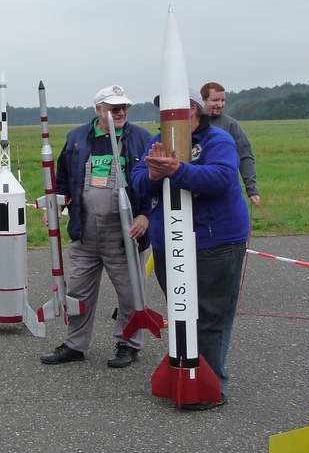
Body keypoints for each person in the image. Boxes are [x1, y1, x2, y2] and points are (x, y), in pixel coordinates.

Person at [131, 94, 249, 409]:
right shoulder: (156, 142)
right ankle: (183, 374)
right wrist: (153, 175)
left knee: (210, 315)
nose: (164, 114)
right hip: (167, 243)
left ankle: (210, 385)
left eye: (172, 107)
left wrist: (177, 170)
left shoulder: (217, 140)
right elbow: (138, 180)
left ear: (193, 109)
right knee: (182, 312)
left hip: (215, 243)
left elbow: (222, 177)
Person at [40, 85, 152, 368]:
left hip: (125, 234)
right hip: (85, 230)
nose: (121, 112)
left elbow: (156, 184)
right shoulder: (77, 138)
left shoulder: (142, 138)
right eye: (114, 108)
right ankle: (75, 345)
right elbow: (63, 180)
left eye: (124, 107)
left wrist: (145, 216)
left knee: (130, 293)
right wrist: (56, 206)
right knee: (78, 291)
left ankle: (128, 344)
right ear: (99, 110)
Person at [201, 82, 260, 207]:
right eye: (215, 100)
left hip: (226, 193)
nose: (220, 104)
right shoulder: (190, 124)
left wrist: (252, 189)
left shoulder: (231, 125)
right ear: (203, 100)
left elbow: (245, 156)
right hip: (197, 191)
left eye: (223, 100)